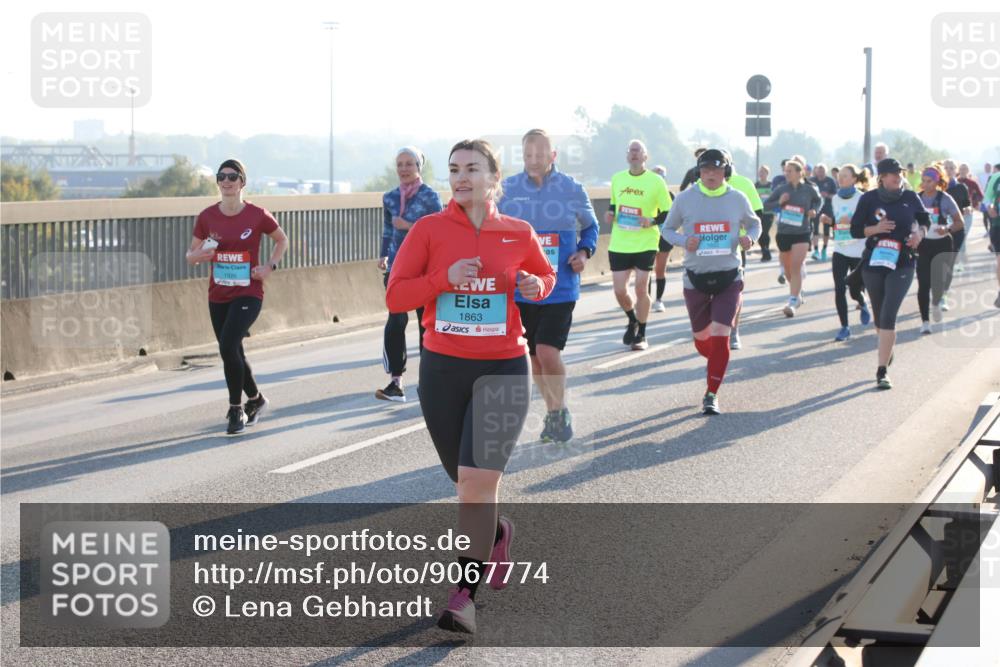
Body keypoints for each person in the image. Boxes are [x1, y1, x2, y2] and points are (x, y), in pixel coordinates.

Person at [386, 139, 556, 634]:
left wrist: (535, 286)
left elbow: (543, 276)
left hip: (503, 368)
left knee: (477, 482)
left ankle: (463, 597)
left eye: (472, 169)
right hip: (443, 370)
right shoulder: (429, 230)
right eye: (455, 169)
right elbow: (396, 297)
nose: (461, 177)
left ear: (493, 178)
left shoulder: (517, 232)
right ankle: (496, 533)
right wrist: (443, 277)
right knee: (464, 484)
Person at [498, 129, 598, 444]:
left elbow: (591, 227)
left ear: (553, 156)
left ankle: (559, 411)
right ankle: (555, 413)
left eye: (540, 155)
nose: (533, 161)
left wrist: (584, 252)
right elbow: (491, 227)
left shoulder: (571, 189)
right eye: (528, 155)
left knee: (547, 351)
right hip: (522, 287)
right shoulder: (508, 190)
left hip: (560, 286)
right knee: (533, 358)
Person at [186, 159, 288, 435]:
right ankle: (256, 399)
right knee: (233, 351)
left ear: (243, 182)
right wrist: (200, 255)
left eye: (233, 177)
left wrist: (269, 267)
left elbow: (281, 239)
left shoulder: (257, 215)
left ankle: (236, 409)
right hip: (218, 294)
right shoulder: (207, 217)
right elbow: (191, 255)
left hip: (248, 292)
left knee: (228, 346)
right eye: (222, 177)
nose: (227, 181)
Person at [661, 149, 760, 415]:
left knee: (720, 335)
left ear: (726, 171)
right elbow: (666, 229)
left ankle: (711, 393)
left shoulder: (737, 198)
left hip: (729, 277)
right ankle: (717, 359)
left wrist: (750, 239)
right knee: (703, 340)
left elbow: (755, 224)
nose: (711, 175)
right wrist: (684, 241)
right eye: (705, 171)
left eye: (716, 170)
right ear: (699, 173)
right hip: (695, 278)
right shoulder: (685, 199)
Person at [851, 158, 930, 389]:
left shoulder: (910, 197)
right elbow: (855, 230)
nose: (898, 176)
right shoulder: (869, 198)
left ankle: (881, 371)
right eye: (893, 173)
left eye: (900, 173)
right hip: (874, 261)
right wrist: (876, 229)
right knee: (879, 317)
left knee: (888, 315)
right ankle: (887, 350)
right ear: (882, 177)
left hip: (903, 261)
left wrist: (919, 235)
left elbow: (925, 220)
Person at [376, 147, 443, 402]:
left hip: (425, 270)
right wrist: (383, 254)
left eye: (409, 164)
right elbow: (387, 229)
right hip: (397, 268)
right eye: (400, 164)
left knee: (427, 324)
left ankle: (428, 381)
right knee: (395, 322)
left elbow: (439, 231)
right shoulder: (390, 197)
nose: (404, 169)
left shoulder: (430, 197)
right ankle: (396, 382)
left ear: (419, 166)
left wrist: (408, 225)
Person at [606, 140, 672, 350]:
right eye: (631, 150)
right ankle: (632, 319)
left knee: (641, 288)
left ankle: (642, 335)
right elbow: (614, 204)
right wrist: (610, 213)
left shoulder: (656, 181)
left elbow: (668, 211)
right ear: (627, 156)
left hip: (646, 242)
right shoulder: (617, 178)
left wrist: (652, 221)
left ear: (645, 156)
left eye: (638, 150)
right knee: (619, 291)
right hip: (620, 243)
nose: (634, 153)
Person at [763, 158, 821, 317]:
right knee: (788, 270)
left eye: (790, 171)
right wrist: (779, 202)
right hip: (784, 232)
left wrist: (814, 210)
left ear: (799, 172)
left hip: (802, 232)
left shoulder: (809, 189)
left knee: (796, 266)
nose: (786, 173)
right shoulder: (781, 189)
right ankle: (797, 293)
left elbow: (818, 201)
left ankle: (793, 301)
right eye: (785, 171)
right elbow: (766, 206)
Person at [821, 164, 871, 341]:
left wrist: (852, 221)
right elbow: (839, 222)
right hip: (840, 249)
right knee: (839, 288)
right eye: (839, 176)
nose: (840, 179)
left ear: (854, 179)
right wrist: (830, 221)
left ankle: (862, 302)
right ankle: (844, 327)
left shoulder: (862, 198)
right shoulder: (835, 198)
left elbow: (869, 223)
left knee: (854, 291)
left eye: (845, 176)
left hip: (858, 250)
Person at [915, 163, 964, 334]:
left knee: (939, 281)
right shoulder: (917, 199)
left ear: (937, 182)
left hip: (942, 243)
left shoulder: (945, 199)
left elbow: (959, 222)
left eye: (929, 181)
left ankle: (936, 302)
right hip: (923, 244)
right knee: (923, 284)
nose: (925, 184)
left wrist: (947, 228)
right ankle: (925, 322)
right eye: (923, 181)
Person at [650, 164, 675, 313]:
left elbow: (675, 215)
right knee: (647, 270)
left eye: (661, 177)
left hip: (664, 236)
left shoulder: (670, 195)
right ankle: (645, 299)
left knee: (660, 270)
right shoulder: (647, 192)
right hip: (648, 235)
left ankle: (658, 300)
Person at [943, 159, 971, 284]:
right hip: (940, 228)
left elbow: (967, 204)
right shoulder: (937, 188)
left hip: (957, 227)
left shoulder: (961, 187)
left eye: (951, 168)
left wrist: (968, 209)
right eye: (946, 168)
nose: (948, 170)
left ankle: (943, 289)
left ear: (956, 171)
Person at [810, 164, 837, 261]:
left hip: (827, 207)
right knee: (815, 229)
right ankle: (816, 250)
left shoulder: (830, 181)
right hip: (816, 207)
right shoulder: (812, 181)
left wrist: (827, 195)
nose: (820, 173)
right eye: (819, 171)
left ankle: (824, 249)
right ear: (816, 171)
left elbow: (835, 195)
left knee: (826, 230)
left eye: (822, 171)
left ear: (825, 172)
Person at [958, 162, 985, 234]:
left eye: (964, 169)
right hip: (955, 211)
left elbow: (980, 196)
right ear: (958, 170)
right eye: (961, 169)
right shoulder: (955, 182)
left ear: (968, 171)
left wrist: (974, 202)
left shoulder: (972, 183)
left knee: (964, 234)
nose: (962, 171)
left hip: (967, 211)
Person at [755, 165, 775, 262]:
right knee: (760, 233)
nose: (761, 174)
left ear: (767, 173)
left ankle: (766, 250)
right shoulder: (756, 185)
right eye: (760, 172)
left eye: (763, 172)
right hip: (758, 212)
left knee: (765, 232)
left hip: (769, 212)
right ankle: (764, 250)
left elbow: (775, 198)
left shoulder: (771, 185)